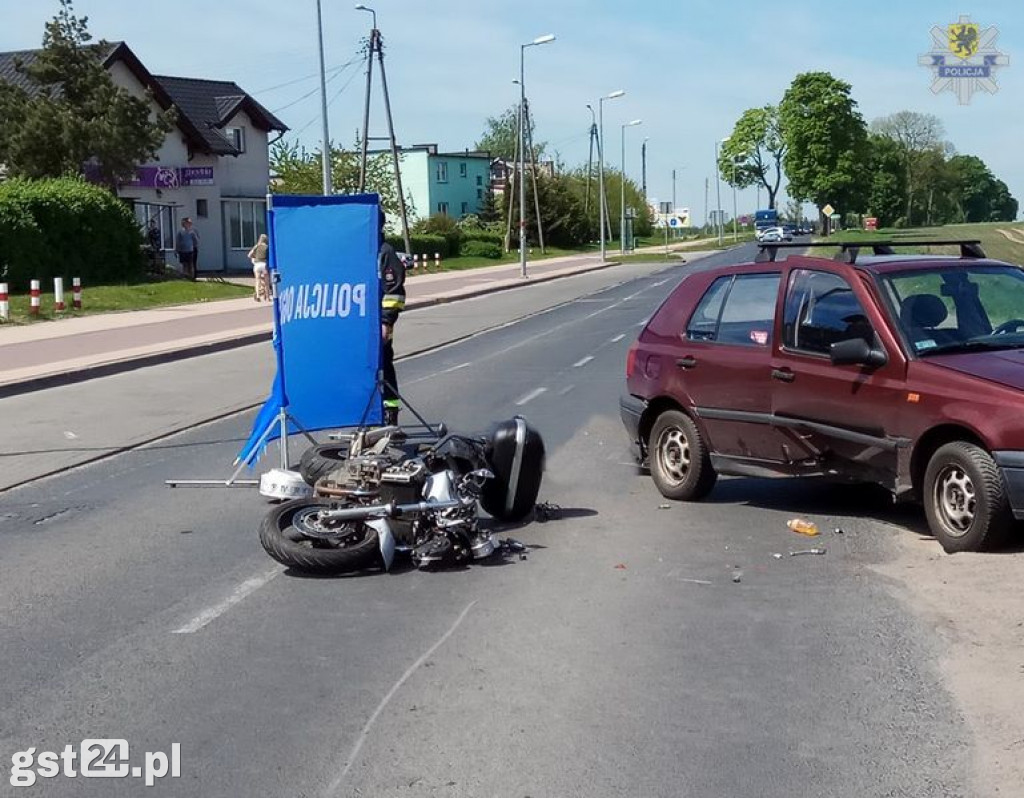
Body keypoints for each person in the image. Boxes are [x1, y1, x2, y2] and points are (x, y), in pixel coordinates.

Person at [378, 209, 406, 426]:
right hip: (359, 324)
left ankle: (390, 412)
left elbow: (394, 291)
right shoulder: (358, 251)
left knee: (384, 365)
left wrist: (386, 321)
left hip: (379, 324)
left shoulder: (385, 252)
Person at [247, 233, 270, 302]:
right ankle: (268, 297)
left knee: (257, 281)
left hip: (257, 265)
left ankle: (258, 296)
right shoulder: (267, 247)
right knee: (266, 282)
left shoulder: (256, 246)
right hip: (264, 264)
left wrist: (255, 257)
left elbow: (249, 255)